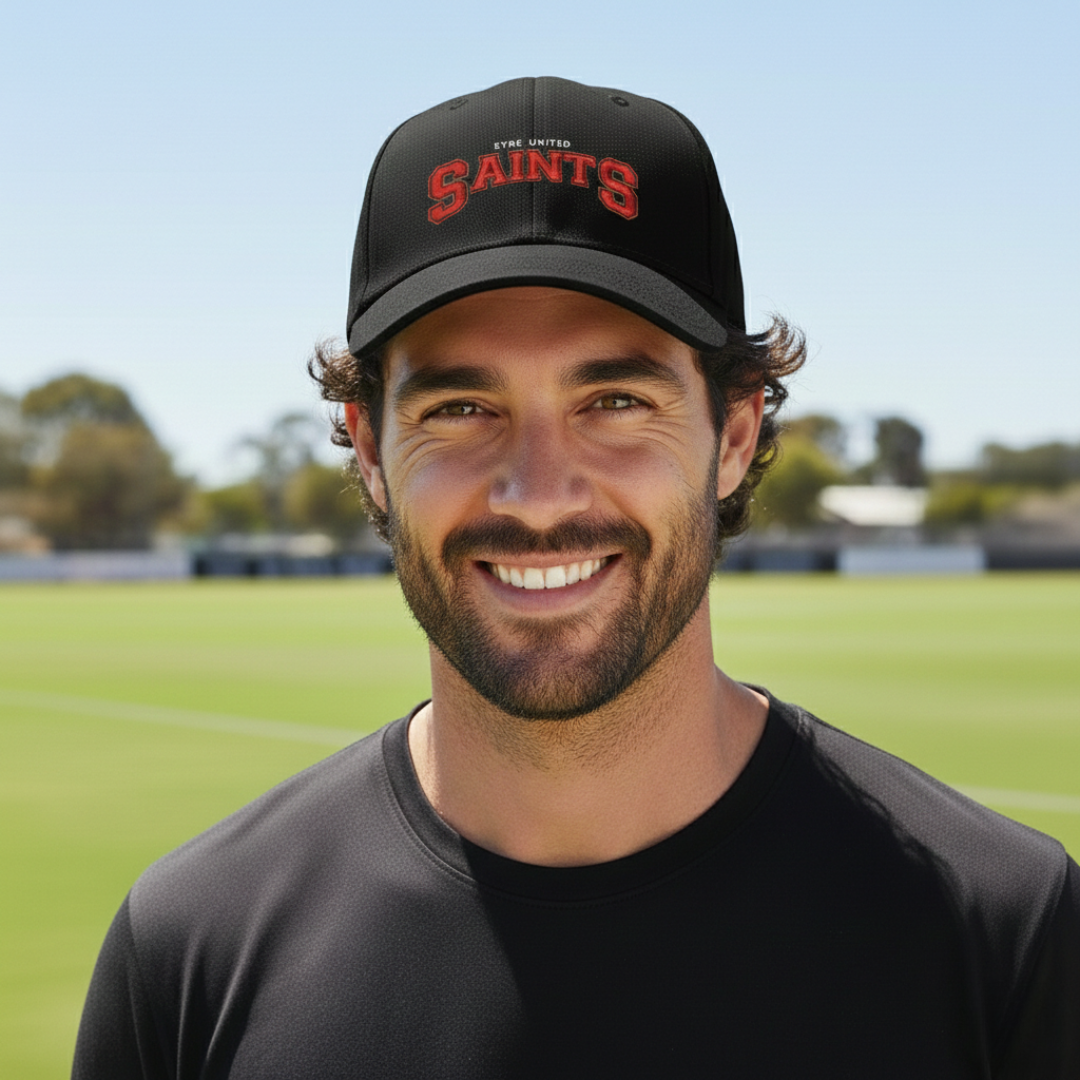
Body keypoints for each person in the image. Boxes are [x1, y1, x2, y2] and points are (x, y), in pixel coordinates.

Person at [74, 76, 1079, 1079]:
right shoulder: (192, 950)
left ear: (733, 434)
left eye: (616, 400)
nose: (540, 494)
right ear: (371, 451)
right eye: (461, 409)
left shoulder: (1003, 934)